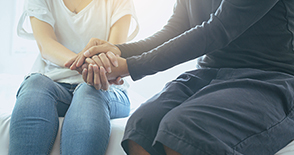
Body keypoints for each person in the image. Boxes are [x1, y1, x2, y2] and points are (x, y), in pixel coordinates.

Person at [66, 0, 294, 154]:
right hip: (211, 73)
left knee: (185, 129)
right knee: (142, 126)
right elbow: (177, 27)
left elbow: (217, 29)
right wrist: (120, 52)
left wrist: (130, 66)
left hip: (271, 77)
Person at [9, 0, 138, 154]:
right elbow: (46, 45)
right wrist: (86, 64)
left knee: (88, 92)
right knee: (35, 84)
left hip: (102, 86)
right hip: (54, 82)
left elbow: (114, 53)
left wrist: (91, 67)